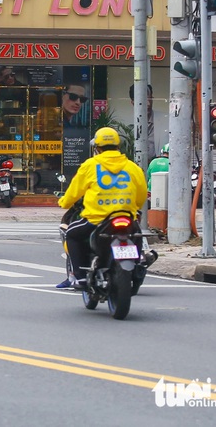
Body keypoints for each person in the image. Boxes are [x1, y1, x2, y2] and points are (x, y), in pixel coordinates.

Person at [57, 127, 147, 288]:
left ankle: (80, 276)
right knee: (137, 235)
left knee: (71, 234)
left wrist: (64, 202)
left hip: (97, 219)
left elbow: (74, 191)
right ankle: (137, 266)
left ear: (97, 148)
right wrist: (134, 208)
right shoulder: (132, 167)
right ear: (118, 146)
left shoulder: (90, 165)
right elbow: (141, 195)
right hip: (126, 217)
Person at [129, 84, 156, 161]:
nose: (148, 104)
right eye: (143, 100)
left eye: (150, 99)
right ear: (132, 102)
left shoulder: (165, 121)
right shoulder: (128, 129)